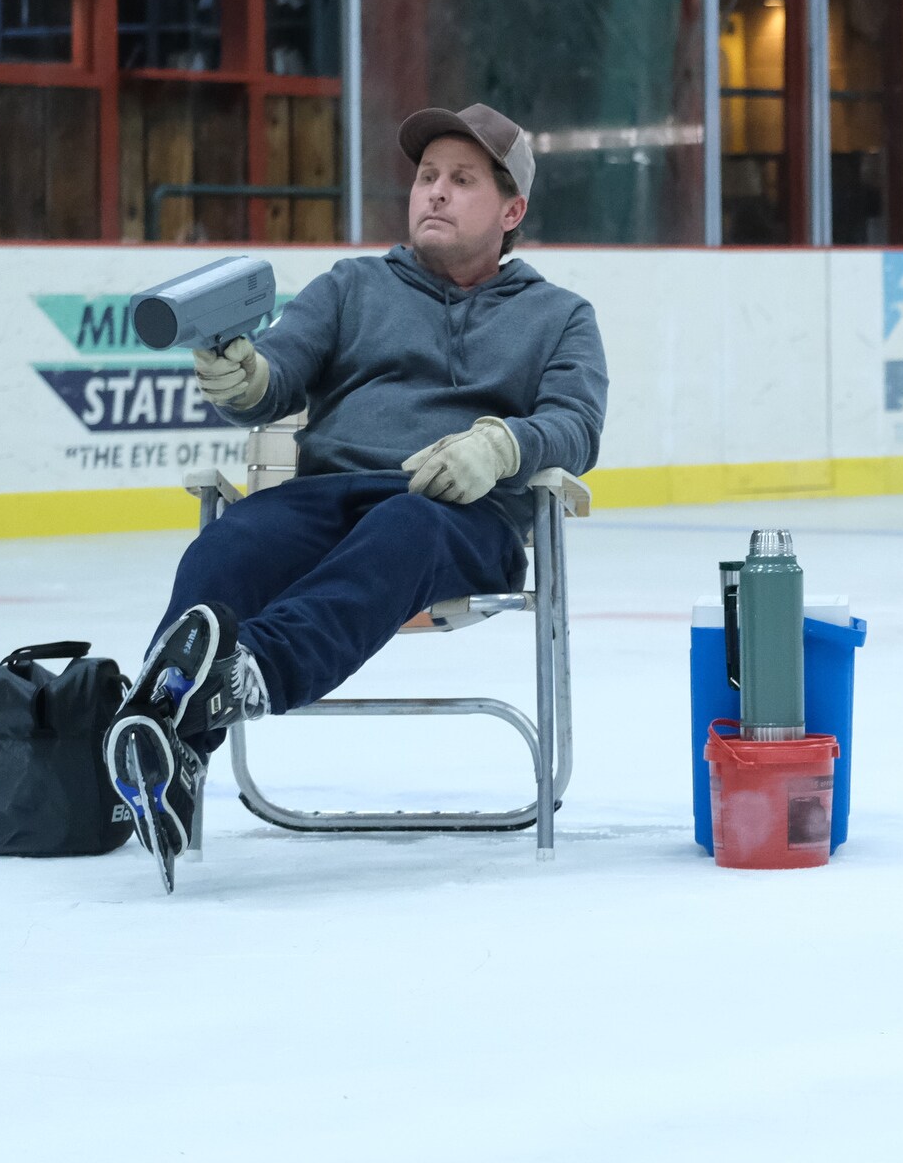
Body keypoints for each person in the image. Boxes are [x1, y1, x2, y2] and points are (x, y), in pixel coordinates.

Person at [101, 103, 608, 892]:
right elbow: (277, 376)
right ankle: (172, 753)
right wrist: (246, 380)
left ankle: (250, 673)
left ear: (511, 212)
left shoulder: (560, 317)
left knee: (407, 525)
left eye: (462, 181)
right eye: (426, 177)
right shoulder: (354, 285)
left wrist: (503, 444)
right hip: (328, 497)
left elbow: (575, 424)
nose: (434, 193)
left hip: (458, 518)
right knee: (231, 540)